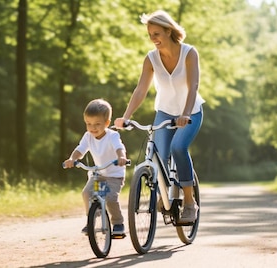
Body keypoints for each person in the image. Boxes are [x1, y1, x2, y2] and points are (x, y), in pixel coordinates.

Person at [114, 10, 204, 223]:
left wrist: (185, 114)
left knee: (178, 148)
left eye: (156, 34)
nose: (153, 39)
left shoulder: (189, 53)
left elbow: (194, 87)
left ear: (168, 30)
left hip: (190, 112)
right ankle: (166, 197)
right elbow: (140, 90)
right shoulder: (151, 58)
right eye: (150, 35)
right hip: (164, 112)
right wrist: (125, 116)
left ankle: (190, 202)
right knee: (159, 157)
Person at [64, 99, 128, 235]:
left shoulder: (112, 135)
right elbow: (80, 150)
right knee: (87, 193)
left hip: (114, 175)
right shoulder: (88, 136)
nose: (93, 128)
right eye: (88, 124)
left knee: (110, 198)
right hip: (99, 174)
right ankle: (91, 219)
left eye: (97, 124)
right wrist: (72, 159)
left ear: (107, 123)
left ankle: (118, 223)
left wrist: (121, 157)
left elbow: (119, 148)